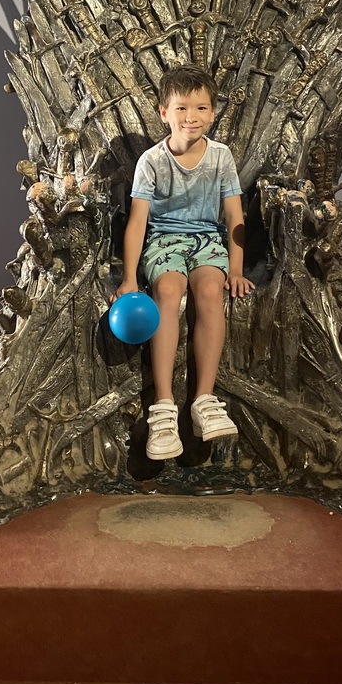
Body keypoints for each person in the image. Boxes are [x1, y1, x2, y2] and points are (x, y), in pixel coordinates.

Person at [112, 64, 255, 460]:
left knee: (210, 290)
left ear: (212, 113)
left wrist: (237, 269)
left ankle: (204, 401)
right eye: (181, 108)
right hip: (165, 242)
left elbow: (234, 218)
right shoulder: (151, 162)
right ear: (164, 112)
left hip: (208, 241)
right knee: (168, 290)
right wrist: (128, 278)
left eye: (201, 108)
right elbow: (138, 221)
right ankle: (162, 407)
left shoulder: (221, 157)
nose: (191, 117)